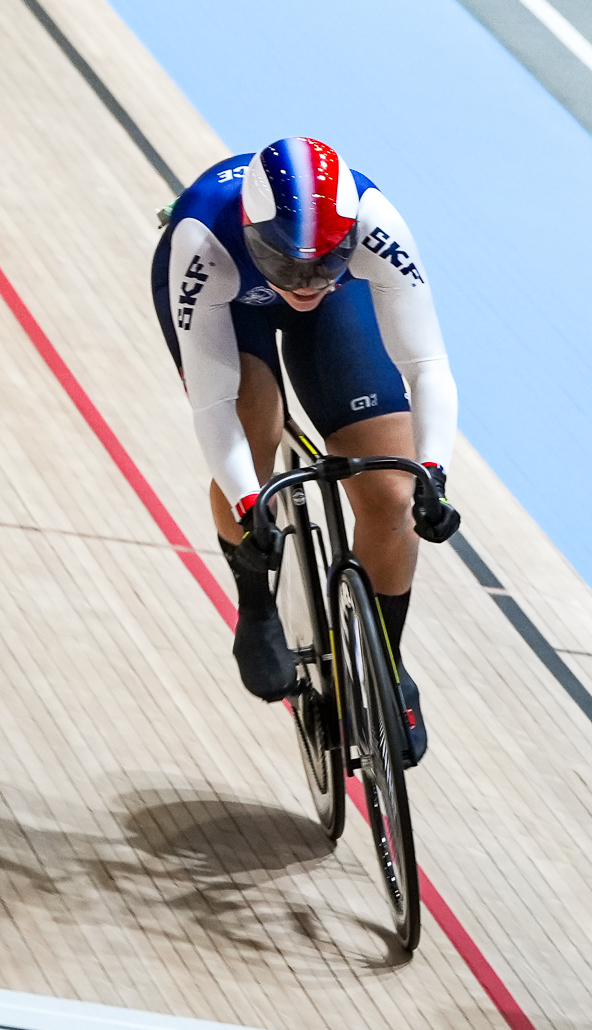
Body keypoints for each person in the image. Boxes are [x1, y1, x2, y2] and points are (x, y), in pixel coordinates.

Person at [152, 137, 461, 763]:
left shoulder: (375, 225)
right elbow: (212, 409)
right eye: (290, 265)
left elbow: (428, 365)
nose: (307, 283)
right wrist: (248, 502)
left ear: (351, 236)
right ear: (252, 228)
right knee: (254, 434)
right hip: (230, 301)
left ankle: (385, 665)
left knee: (391, 493)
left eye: (326, 262)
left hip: (338, 303)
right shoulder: (202, 241)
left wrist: (434, 473)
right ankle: (255, 600)